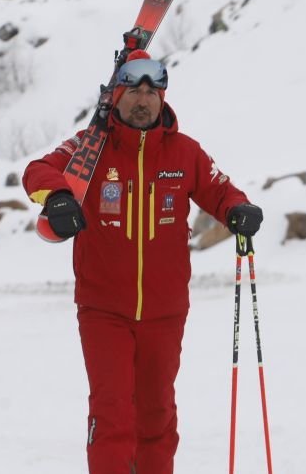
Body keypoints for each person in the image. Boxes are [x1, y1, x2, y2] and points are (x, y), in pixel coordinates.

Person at [23, 50, 263, 474]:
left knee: (157, 416)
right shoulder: (89, 148)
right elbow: (38, 170)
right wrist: (59, 197)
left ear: (163, 98)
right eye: (133, 89)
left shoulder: (184, 152)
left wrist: (237, 210)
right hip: (103, 309)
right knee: (112, 414)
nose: (143, 99)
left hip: (165, 310)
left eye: (153, 91)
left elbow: (219, 189)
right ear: (115, 96)